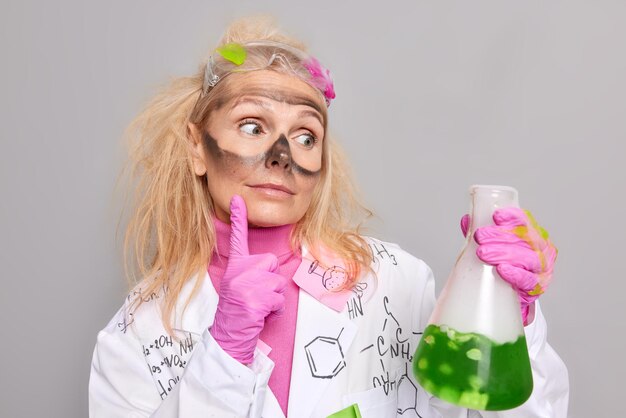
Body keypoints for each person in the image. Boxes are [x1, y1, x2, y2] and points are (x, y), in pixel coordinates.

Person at [89, 16, 569, 418]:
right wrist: (224, 355)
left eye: (304, 135)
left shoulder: (397, 282)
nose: (281, 156)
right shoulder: (143, 327)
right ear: (198, 147)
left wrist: (510, 314)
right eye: (252, 126)